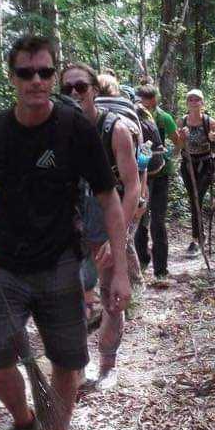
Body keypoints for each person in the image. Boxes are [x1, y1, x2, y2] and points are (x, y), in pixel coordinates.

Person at [0, 35, 131, 430]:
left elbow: (109, 198)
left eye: (44, 72)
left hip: (60, 263)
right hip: (6, 270)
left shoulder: (74, 130)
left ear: (55, 76)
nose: (36, 81)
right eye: (25, 73)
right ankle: (23, 423)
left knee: (68, 364)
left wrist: (118, 270)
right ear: (12, 78)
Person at [60, 63, 141, 391]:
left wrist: (115, 237)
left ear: (94, 89)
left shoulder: (116, 130)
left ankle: (108, 365)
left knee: (111, 298)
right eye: (68, 89)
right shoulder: (59, 131)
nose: (76, 93)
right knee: (71, 296)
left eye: (81, 86)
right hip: (73, 223)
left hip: (109, 218)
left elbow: (133, 186)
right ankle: (78, 366)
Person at [133, 85, 178, 280]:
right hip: (139, 174)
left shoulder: (164, 118)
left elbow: (177, 141)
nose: (146, 103)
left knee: (157, 221)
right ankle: (142, 261)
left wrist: (168, 156)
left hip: (160, 175)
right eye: (143, 98)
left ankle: (161, 270)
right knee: (140, 219)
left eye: (149, 99)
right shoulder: (132, 117)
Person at [178, 89, 215, 257]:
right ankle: (197, 237)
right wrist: (181, 137)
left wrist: (213, 138)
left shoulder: (209, 122)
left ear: (203, 103)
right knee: (193, 199)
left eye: (197, 100)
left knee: (197, 198)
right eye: (191, 100)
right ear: (187, 103)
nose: (194, 102)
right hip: (188, 164)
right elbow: (178, 146)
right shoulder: (182, 121)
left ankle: (197, 238)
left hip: (205, 164)